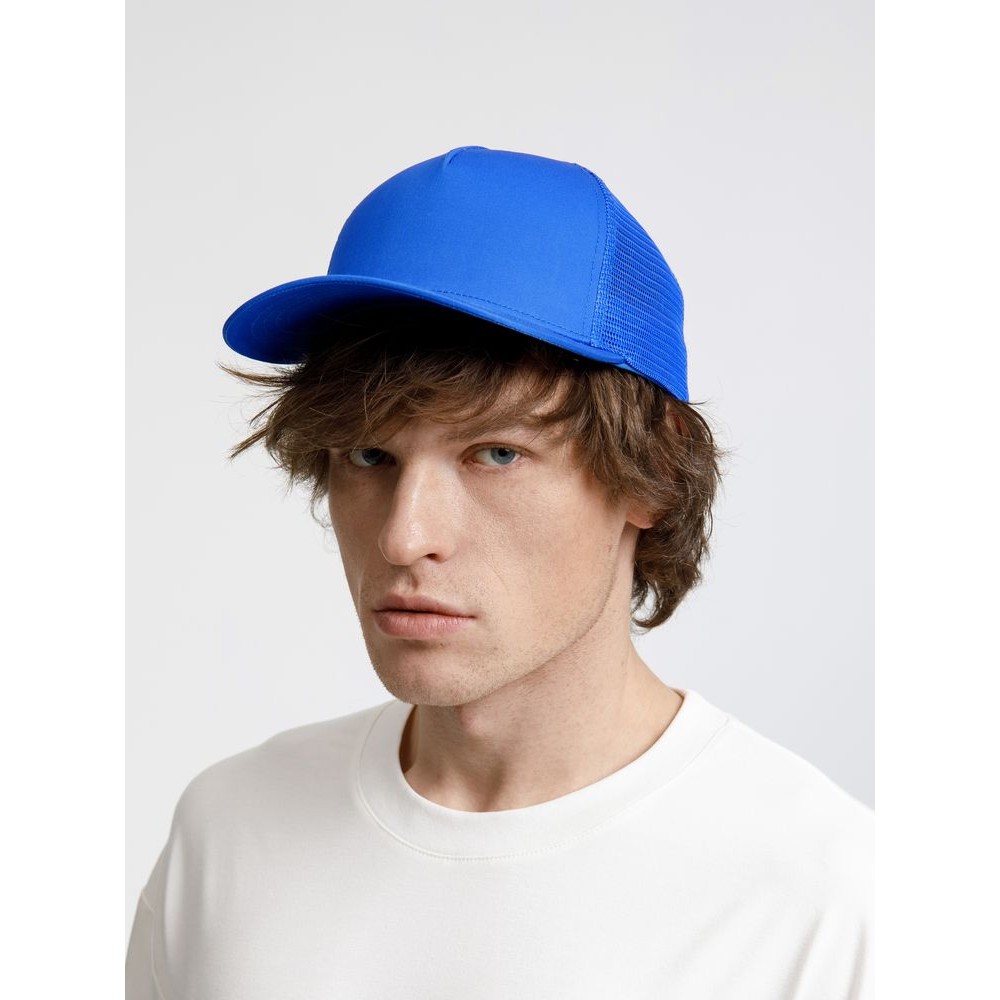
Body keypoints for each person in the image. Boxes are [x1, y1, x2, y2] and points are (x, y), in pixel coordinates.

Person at [126, 146, 873, 999]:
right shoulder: (230, 833)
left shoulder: (826, 900)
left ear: (652, 476)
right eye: (370, 455)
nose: (404, 537)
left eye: (495, 453)